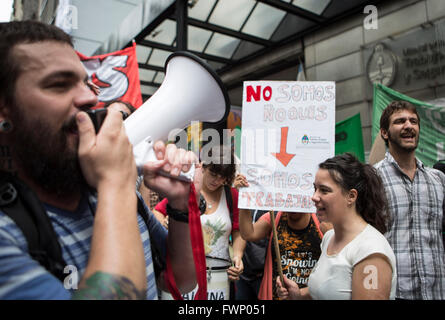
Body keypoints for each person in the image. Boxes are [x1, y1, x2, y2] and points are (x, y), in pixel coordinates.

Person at [0, 20, 198, 299]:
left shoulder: (111, 194)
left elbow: (180, 280)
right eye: (58, 85)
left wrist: (178, 206)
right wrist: (116, 183)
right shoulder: (7, 232)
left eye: (86, 83)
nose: (90, 98)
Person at [277, 153, 397, 300]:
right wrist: (299, 294)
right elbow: (332, 290)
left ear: (351, 196)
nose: (314, 197)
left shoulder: (371, 251)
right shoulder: (329, 238)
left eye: (324, 190)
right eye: (315, 189)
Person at [154, 146, 246, 299]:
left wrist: (237, 255)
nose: (216, 181)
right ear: (203, 166)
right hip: (184, 273)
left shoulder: (231, 195)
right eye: (213, 174)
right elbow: (157, 212)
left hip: (219, 277)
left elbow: (238, 230)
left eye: (222, 177)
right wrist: (163, 222)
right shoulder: (187, 190)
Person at [374, 100, 445, 300]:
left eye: (413, 121)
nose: (408, 125)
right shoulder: (371, 178)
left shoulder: (438, 180)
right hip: (393, 292)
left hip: (436, 292)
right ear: (385, 133)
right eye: (400, 121)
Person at [238, 174, 324, 300]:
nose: (292, 203)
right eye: (288, 198)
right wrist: (244, 195)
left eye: (297, 198)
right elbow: (248, 234)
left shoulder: (322, 224)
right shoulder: (274, 218)